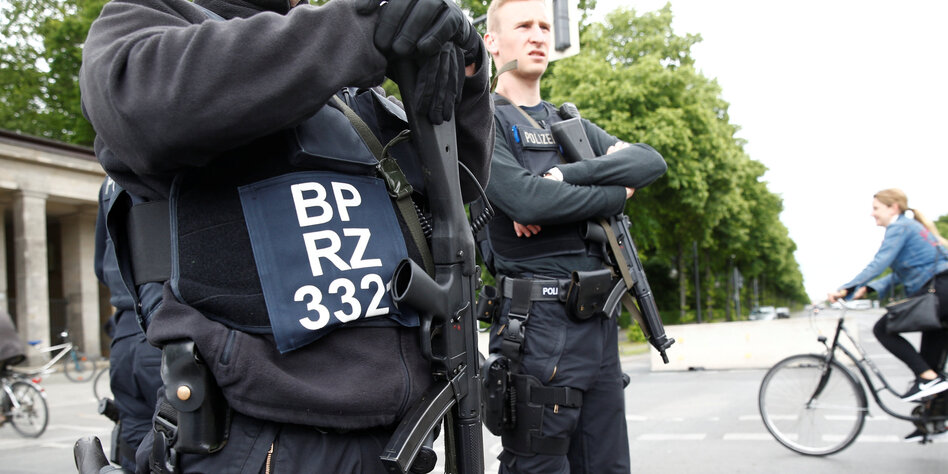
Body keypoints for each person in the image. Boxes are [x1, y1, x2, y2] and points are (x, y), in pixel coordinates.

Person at [79, 0, 493, 471]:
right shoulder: (150, 16)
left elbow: (458, 182)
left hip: (398, 435)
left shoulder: (350, 88)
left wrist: (467, 67)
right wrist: (358, 30)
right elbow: (141, 105)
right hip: (256, 439)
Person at [478, 1, 667, 472]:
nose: (538, 35)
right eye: (524, 25)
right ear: (492, 42)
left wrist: (565, 177)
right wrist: (615, 194)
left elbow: (649, 162)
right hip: (538, 325)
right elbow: (527, 202)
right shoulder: (481, 121)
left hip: (598, 321)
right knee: (538, 466)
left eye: (545, 26)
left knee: (608, 465)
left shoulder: (569, 124)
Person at [828, 188, 948, 440]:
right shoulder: (912, 227)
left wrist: (847, 287)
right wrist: (868, 288)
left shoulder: (900, 227)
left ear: (893, 207)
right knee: (929, 368)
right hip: (941, 294)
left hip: (939, 293)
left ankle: (930, 387)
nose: (872, 214)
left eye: (876, 208)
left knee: (883, 329)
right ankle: (931, 423)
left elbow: (880, 262)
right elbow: (902, 272)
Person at [93, 176, 164, 471]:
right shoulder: (175, 156)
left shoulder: (109, 180)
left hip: (125, 334)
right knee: (187, 448)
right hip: (168, 324)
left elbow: (102, 267)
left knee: (134, 445)